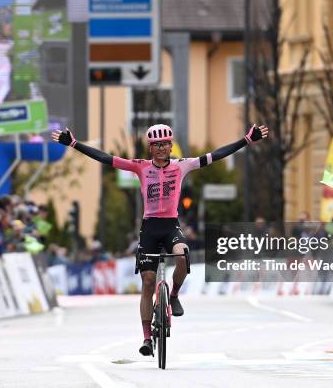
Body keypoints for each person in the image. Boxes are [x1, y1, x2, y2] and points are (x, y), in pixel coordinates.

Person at [52, 123, 269, 356]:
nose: (162, 148)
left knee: (183, 254)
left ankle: (174, 295)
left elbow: (214, 155)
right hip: (149, 228)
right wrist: (74, 144)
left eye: (166, 144)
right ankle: (147, 338)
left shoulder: (181, 165)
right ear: (150, 148)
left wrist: (246, 140)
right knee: (147, 283)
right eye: (157, 145)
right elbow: (107, 158)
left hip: (171, 226)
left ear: (170, 145)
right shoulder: (141, 167)